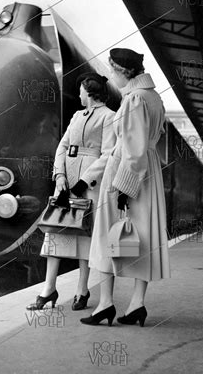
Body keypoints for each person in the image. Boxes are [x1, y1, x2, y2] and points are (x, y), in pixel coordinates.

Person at [80, 48, 170, 327]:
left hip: (126, 171)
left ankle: (105, 304)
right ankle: (136, 305)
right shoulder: (153, 97)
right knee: (142, 237)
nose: (111, 76)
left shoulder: (133, 100)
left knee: (108, 235)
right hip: (150, 171)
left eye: (113, 70)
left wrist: (123, 188)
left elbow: (132, 149)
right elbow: (147, 143)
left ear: (123, 71)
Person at [26, 72, 116, 311]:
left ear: (89, 92)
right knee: (55, 233)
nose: (78, 94)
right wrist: (59, 176)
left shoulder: (110, 117)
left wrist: (85, 181)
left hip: (88, 188)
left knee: (84, 236)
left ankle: (82, 289)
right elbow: (62, 147)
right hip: (65, 185)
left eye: (80, 90)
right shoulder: (77, 116)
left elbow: (108, 154)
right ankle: (49, 288)